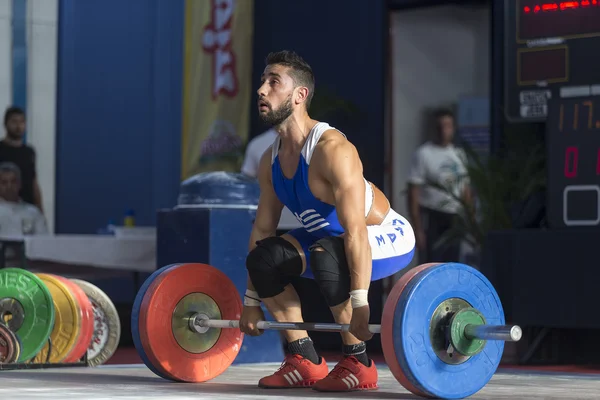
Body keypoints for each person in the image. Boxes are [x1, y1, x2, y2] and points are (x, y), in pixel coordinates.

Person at [240, 50, 416, 391]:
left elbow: (355, 233)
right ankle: (304, 357)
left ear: (299, 95)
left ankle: (359, 361)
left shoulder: (332, 150)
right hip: (330, 240)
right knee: (264, 258)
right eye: (262, 81)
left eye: (273, 82)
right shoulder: (270, 161)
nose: (261, 90)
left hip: (384, 235)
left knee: (326, 252)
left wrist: (362, 302)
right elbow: (262, 230)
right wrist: (250, 302)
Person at [406, 108, 471, 263]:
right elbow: (413, 192)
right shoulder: (424, 153)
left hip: (455, 217)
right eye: (440, 126)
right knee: (430, 263)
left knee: (453, 263)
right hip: (432, 215)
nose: (444, 130)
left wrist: (470, 220)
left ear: (453, 128)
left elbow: (465, 189)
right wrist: (418, 228)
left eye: (448, 126)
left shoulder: (459, 154)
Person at [0, 107, 43, 211]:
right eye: (14, 122)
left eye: (22, 122)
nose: (18, 126)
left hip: (27, 209)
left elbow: (34, 182)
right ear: (5, 124)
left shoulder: (29, 152)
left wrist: (40, 209)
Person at [0, 162, 48, 236]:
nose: (9, 186)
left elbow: (43, 241)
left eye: (13, 182)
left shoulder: (33, 212)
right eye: (4, 182)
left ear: (20, 184)